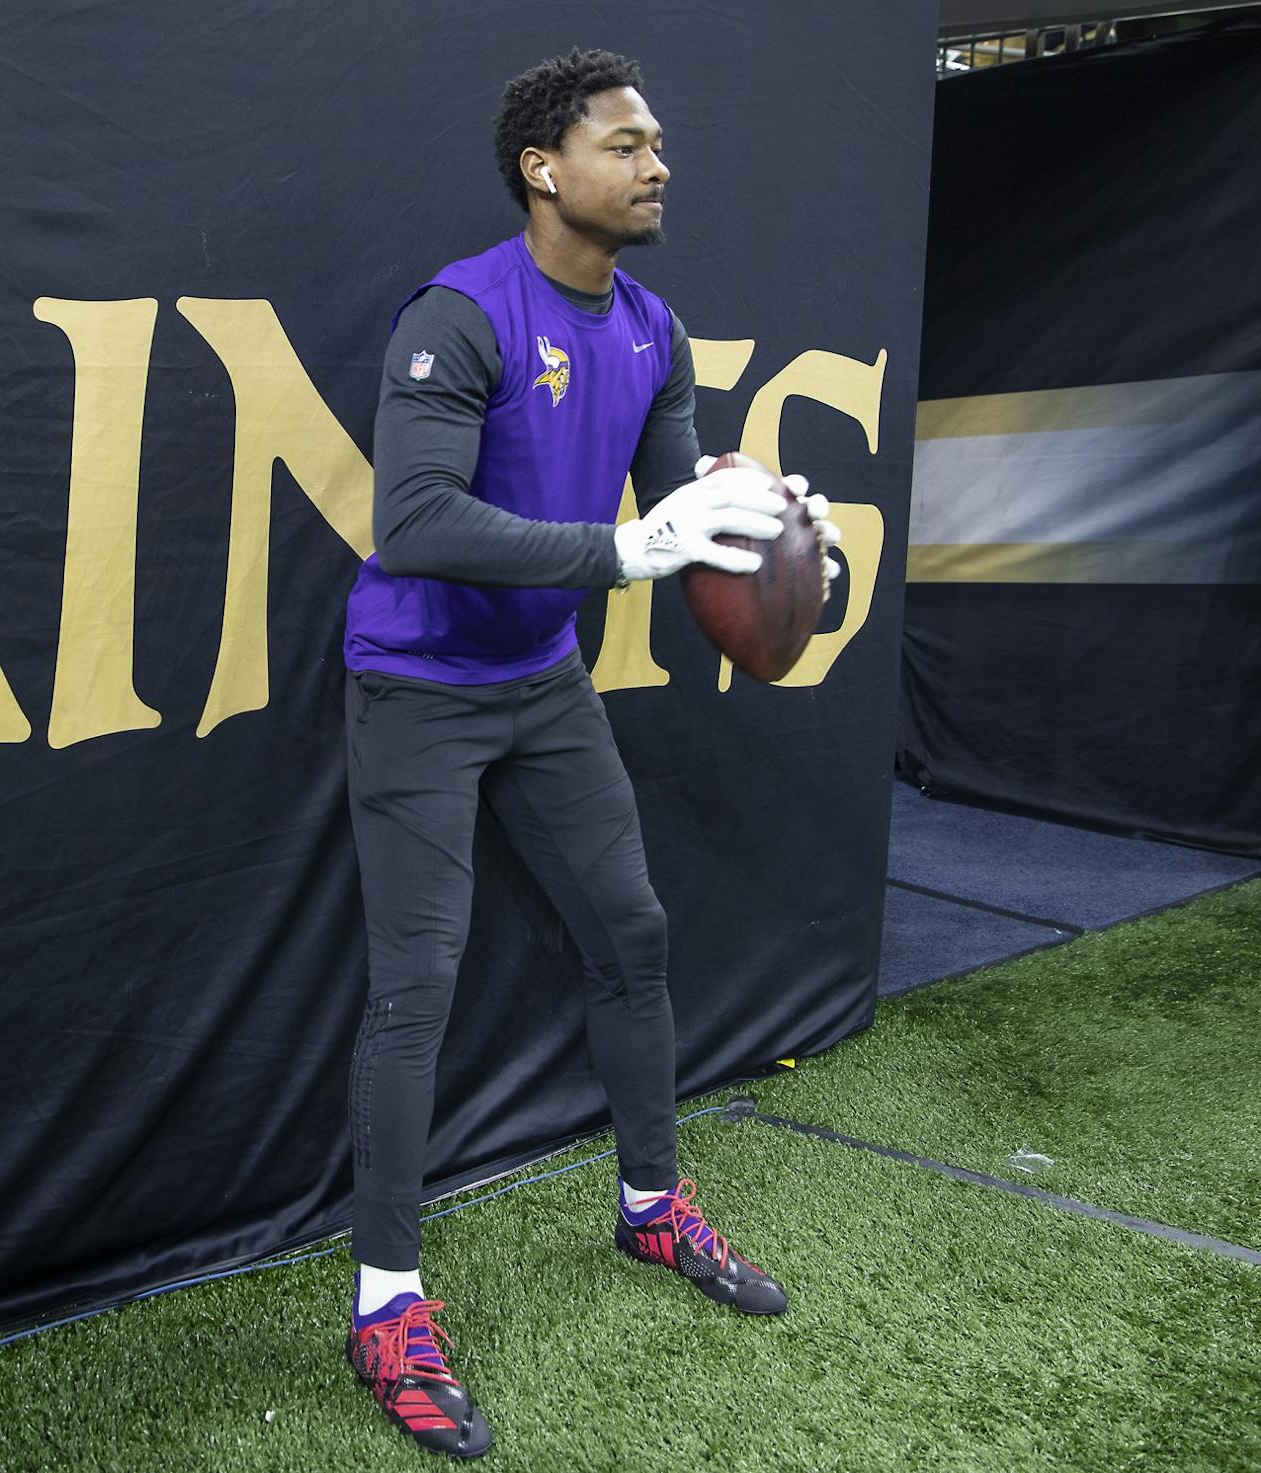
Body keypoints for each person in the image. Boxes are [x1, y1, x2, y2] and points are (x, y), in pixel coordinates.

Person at [339, 49, 842, 1460]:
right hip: (420, 684)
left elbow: (688, 508)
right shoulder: (460, 315)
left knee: (632, 930)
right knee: (413, 990)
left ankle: (648, 1203)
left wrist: (783, 529)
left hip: (540, 678)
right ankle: (386, 1303)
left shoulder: (652, 325)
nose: (656, 162)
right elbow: (420, 517)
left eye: (659, 141)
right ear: (542, 169)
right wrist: (626, 548)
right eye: (625, 143)